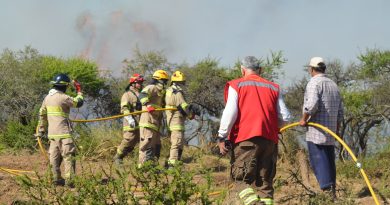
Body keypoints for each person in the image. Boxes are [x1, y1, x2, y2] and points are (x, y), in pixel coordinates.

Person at [218, 56, 291, 205]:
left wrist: (222, 136)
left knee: (240, 180)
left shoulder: (236, 85)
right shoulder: (273, 87)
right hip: (270, 141)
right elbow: (285, 116)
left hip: (246, 140)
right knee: (264, 183)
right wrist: (274, 128)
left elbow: (230, 113)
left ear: (242, 70)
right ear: (261, 70)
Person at [299, 57, 344, 198]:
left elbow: (311, 105)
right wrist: (336, 129)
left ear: (311, 69)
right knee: (329, 161)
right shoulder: (333, 84)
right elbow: (340, 112)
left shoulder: (314, 83)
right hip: (330, 132)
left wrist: (303, 119)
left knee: (318, 160)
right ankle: (332, 193)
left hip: (316, 132)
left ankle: (327, 193)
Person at [36, 73, 84, 186]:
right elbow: (79, 103)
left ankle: (55, 179)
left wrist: (41, 130)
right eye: (67, 86)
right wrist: (79, 90)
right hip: (64, 134)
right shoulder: (63, 97)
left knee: (54, 158)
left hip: (52, 135)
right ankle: (70, 181)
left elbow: (42, 114)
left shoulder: (47, 98)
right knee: (69, 156)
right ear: (64, 86)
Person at [165, 71, 200, 167]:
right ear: (176, 82)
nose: (182, 84)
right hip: (176, 120)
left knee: (179, 143)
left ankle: (174, 163)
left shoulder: (170, 90)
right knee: (177, 142)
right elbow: (183, 106)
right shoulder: (177, 92)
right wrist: (190, 115)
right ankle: (172, 166)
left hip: (175, 120)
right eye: (181, 82)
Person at [138, 69, 169, 166]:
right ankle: (143, 167)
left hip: (155, 123)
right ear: (159, 80)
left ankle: (152, 167)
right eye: (164, 81)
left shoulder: (160, 92)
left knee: (156, 145)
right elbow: (142, 94)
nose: (165, 83)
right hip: (147, 121)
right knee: (147, 144)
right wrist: (147, 105)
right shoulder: (151, 87)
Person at [113, 74, 144, 165]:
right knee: (129, 139)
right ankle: (118, 157)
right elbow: (124, 108)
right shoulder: (127, 95)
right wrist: (130, 119)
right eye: (138, 82)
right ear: (133, 84)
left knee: (135, 142)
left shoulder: (141, 95)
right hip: (130, 122)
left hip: (140, 122)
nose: (140, 84)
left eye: (141, 82)